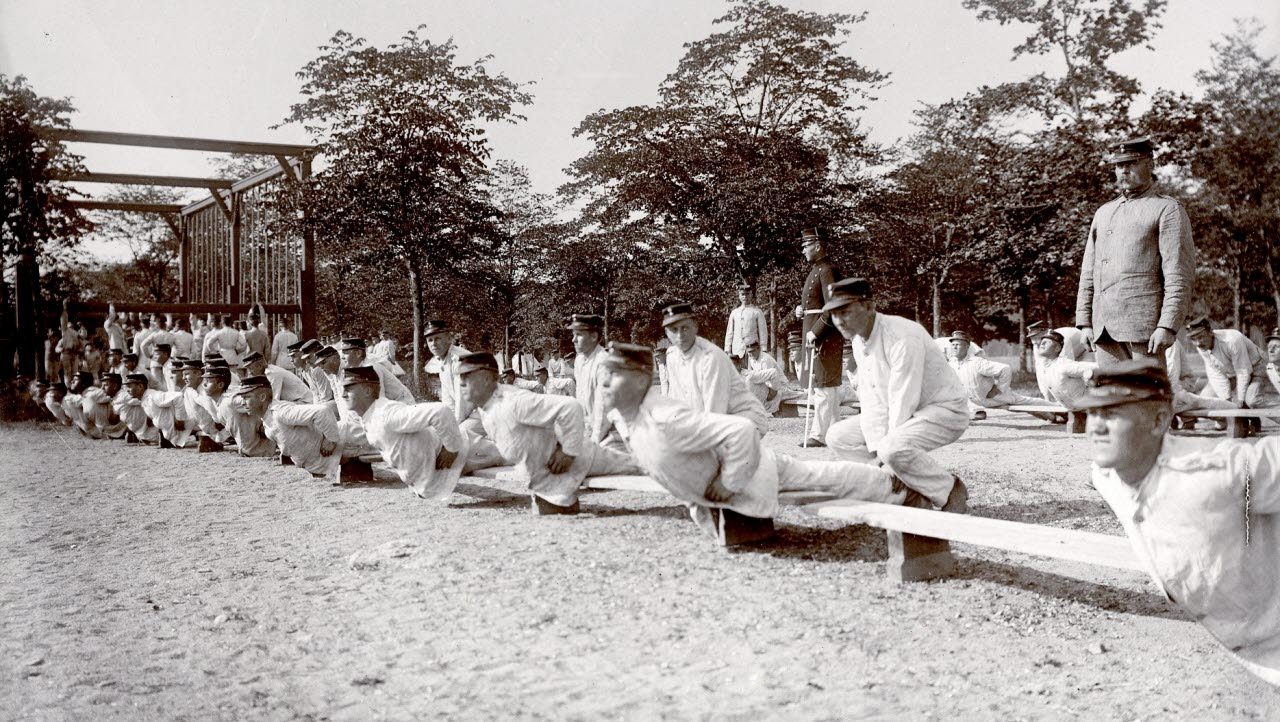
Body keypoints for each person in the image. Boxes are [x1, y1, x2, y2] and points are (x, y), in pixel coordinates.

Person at [1080, 359, 1279, 686]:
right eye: (1093, 413)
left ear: (1159, 420)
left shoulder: (1218, 470)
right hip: (1235, 649)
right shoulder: (1105, 474)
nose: (1096, 427)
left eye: (1112, 414)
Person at [602, 342, 916, 538]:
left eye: (614, 374)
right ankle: (889, 483)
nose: (603, 382)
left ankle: (894, 486)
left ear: (641, 379)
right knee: (815, 478)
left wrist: (730, 483)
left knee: (819, 479)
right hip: (725, 479)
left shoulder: (664, 417)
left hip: (750, 469)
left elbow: (739, 430)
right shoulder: (627, 420)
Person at [823, 279, 970, 513]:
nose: (839, 321)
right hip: (907, 411)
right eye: (833, 314)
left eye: (845, 311)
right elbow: (872, 399)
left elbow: (903, 398)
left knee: (892, 447)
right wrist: (877, 452)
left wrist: (884, 454)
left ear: (869, 306)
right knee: (837, 436)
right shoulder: (859, 339)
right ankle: (903, 490)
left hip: (944, 410)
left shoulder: (901, 335)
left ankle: (949, 489)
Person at [458, 352, 637, 514]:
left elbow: (570, 407)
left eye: (467, 376)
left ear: (486, 379)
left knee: (640, 466)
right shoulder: (486, 406)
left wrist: (568, 452)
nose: (461, 382)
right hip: (545, 475)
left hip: (574, 463)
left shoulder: (513, 402)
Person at [1075, 137, 1196, 367]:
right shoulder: (1103, 212)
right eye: (1120, 165)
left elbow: (1179, 274)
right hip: (1104, 330)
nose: (1124, 170)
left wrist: (1167, 325)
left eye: (1132, 163)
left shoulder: (1167, 209)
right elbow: (1089, 271)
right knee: (1114, 401)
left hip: (1144, 329)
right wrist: (1085, 322)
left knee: (1147, 400)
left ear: (1150, 164)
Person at [344, 366, 469, 499]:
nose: (342, 394)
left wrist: (451, 448)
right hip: (435, 473)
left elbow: (440, 411)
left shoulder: (386, 413)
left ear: (367, 391)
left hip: (462, 454)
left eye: (348, 389)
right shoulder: (369, 416)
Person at [661, 302, 769, 437]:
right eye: (673, 330)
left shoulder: (711, 358)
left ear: (695, 326)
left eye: (685, 328)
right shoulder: (672, 356)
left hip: (745, 420)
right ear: (666, 332)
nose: (679, 336)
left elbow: (714, 414)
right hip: (718, 420)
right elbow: (678, 401)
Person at [795, 227, 844, 447]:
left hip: (824, 335)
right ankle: (835, 432)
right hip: (815, 332)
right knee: (824, 386)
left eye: (806, 245)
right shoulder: (817, 270)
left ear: (817, 245)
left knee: (824, 385)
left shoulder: (827, 270)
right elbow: (816, 303)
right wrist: (801, 310)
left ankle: (819, 434)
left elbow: (833, 306)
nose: (803, 250)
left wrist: (816, 331)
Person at [947, 331, 1044, 421]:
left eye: (958, 345)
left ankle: (1056, 409)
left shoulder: (976, 362)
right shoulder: (952, 363)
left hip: (996, 398)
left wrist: (999, 389)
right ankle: (977, 412)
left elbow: (1005, 369)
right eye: (953, 345)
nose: (954, 347)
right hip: (976, 401)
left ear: (967, 347)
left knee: (1027, 403)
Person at [1186, 317, 1273, 409]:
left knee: (1252, 400)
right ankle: (1232, 422)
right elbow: (1215, 373)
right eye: (1193, 339)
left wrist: (1240, 399)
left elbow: (1243, 371)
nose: (1198, 343)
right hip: (1233, 374)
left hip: (1256, 368)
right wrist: (1226, 399)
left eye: (1201, 337)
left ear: (1210, 332)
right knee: (1206, 400)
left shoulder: (1232, 340)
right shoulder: (1201, 346)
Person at [567, 314, 614, 445]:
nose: (573, 340)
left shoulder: (603, 362)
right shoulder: (580, 360)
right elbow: (581, 398)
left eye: (579, 335)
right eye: (573, 334)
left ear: (594, 336)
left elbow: (602, 407)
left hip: (609, 433)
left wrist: (594, 441)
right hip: (589, 429)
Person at [338, 338, 413, 403]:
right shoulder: (361, 367)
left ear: (358, 353)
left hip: (402, 405)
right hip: (392, 405)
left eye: (345, 353)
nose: (342, 357)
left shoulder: (370, 369)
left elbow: (378, 401)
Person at [1034, 331, 1097, 408]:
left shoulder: (1063, 365)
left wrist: (1088, 378)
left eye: (1047, 342)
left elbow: (1095, 367)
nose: (1042, 344)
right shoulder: (1045, 367)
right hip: (1071, 407)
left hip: (1088, 406)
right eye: (1042, 342)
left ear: (1057, 348)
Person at [741, 338, 796, 415]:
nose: (751, 354)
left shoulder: (765, 360)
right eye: (749, 352)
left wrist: (771, 394)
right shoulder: (752, 359)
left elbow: (772, 378)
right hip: (768, 386)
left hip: (780, 386)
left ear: (758, 349)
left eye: (753, 351)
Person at [239, 351, 312, 403]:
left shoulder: (273, 373)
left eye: (250, 368)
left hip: (303, 402)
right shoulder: (268, 372)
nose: (250, 372)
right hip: (295, 402)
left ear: (260, 364)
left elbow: (274, 399)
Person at [725, 283, 769, 359]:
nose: (745, 297)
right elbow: (729, 332)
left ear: (751, 295)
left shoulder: (757, 312)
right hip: (737, 349)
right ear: (739, 296)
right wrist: (727, 349)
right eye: (743, 294)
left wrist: (763, 348)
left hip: (752, 349)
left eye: (747, 294)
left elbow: (763, 332)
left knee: (752, 370)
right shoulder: (734, 313)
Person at [115, 373, 158, 444]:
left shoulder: (152, 396)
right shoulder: (142, 399)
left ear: (140, 386)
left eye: (129, 387)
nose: (127, 390)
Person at [83, 372, 127, 439]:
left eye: (105, 385)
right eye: (102, 386)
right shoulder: (112, 396)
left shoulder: (123, 397)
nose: (102, 389)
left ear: (115, 386)